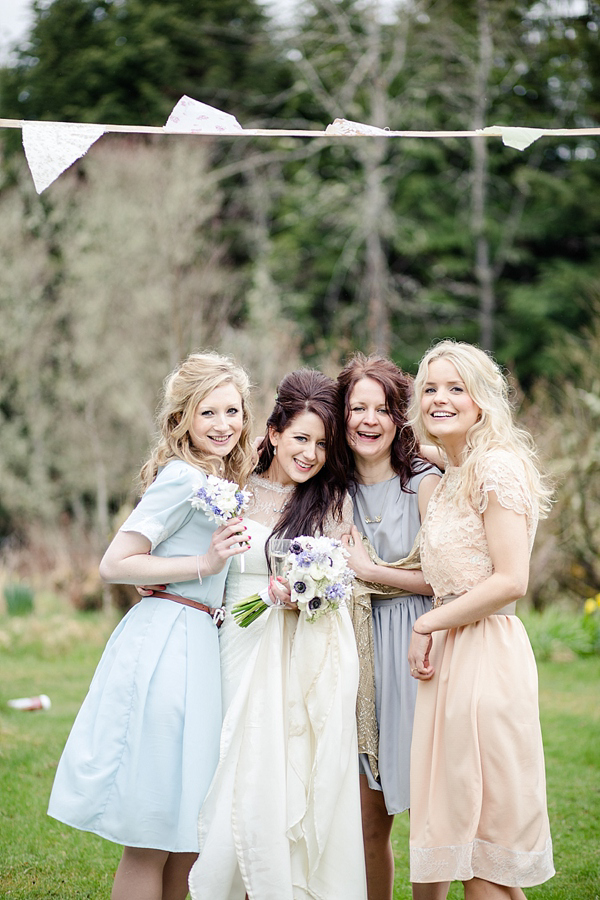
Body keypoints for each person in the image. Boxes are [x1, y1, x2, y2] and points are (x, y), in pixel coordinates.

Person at [47, 351, 256, 900]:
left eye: (233, 411)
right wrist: (199, 566)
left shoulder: (217, 478)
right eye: (208, 413)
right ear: (182, 417)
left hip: (198, 647)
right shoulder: (183, 478)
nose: (223, 425)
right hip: (166, 648)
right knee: (154, 827)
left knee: (188, 830)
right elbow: (115, 563)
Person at [188, 368, 367, 900]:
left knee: (276, 780)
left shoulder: (331, 503)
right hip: (232, 648)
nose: (310, 454)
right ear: (272, 434)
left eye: (321, 444)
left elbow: (342, 586)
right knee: (227, 772)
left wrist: (308, 591)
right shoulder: (233, 490)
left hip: (293, 660)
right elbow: (201, 561)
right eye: (301, 439)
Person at [407, 340, 555, 899]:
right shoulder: (451, 472)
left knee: (484, 847)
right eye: (429, 389)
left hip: (487, 657)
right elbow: (447, 576)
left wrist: (429, 624)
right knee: (459, 837)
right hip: (450, 661)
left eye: (454, 388)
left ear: (482, 401)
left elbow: (510, 579)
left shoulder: (495, 467)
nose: (439, 398)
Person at [335, 353, 445, 900]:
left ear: (399, 416)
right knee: (367, 824)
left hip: (417, 648)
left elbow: (452, 579)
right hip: (355, 655)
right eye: (358, 407)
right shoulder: (331, 488)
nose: (369, 420)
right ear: (342, 414)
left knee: (430, 818)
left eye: (382, 408)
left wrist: (372, 572)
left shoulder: (424, 483)